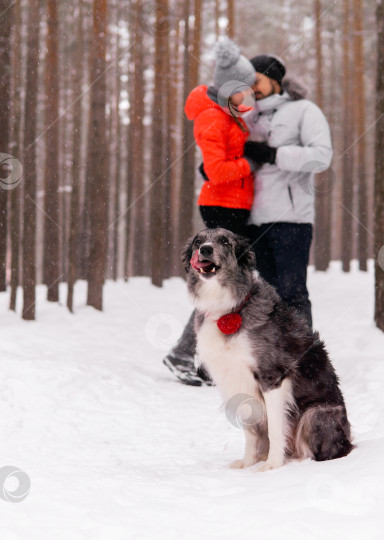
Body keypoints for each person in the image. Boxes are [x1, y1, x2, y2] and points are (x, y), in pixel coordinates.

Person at [162, 39, 257, 386]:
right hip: (222, 205)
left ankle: (200, 356)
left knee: (228, 286)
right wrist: (251, 162)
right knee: (220, 287)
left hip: (232, 204)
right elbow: (217, 171)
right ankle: (183, 354)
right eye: (242, 89)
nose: (247, 96)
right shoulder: (213, 118)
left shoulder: (228, 113)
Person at [242, 55, 333, 329]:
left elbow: (321, 157)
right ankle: (271, 363)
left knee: (292, 295)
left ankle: (303, 364)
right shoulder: (247, 115)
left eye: (256, 80)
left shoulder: (304, 110)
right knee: (263, 299)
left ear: (273, 78)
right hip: (254, 221)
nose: (252, 87)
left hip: (291, 221)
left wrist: (273, 154)